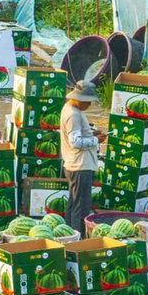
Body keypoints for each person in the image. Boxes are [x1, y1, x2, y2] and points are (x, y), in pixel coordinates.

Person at [60, 81, 106, 234]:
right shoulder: (73, 115)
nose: (90, 105)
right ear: (80, 99)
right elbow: (76, 142)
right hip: (80, 166)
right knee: (81, 207)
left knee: (73, 204)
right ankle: (77, 239)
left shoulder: (69, 108)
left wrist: (92, 133)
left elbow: (76, 133)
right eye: (88, 102)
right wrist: (96, 140)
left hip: (74, 165)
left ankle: (68, 236)